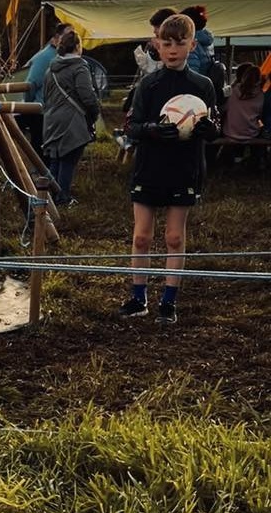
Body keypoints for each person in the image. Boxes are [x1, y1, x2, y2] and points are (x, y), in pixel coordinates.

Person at [120, 11, 218, 324]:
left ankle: (168, 301)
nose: (173, 49)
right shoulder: (147, 84)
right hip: (149, 167)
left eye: (180, 43)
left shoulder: (203, 85)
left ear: (192, 45)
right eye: (166, 43)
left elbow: (215, 125)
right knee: (142, 237)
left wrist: (209, 131)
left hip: (184, 168)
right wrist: (150, 129)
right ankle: (138, 298)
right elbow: (132, 126)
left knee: (175, 237)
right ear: (156, 46)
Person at [41, 29, 98, 206]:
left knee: (56, 159)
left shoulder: (51, 68)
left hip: (52, 119)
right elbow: (87, 95)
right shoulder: (79, 66)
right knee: (68, 160)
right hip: (72, 120)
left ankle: (49, 196)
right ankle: (63, 198)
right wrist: (94, 113)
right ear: (77, 46)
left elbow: (45, 95)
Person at [22, 23, 72, 156]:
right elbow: (31, 84)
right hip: (41, 113)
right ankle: (39, 174)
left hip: (57, 112)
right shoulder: (45, 57)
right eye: (67, 35)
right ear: (57, 38)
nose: (70, 39)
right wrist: (29, 106)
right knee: (42, 151)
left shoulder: (64, 57)